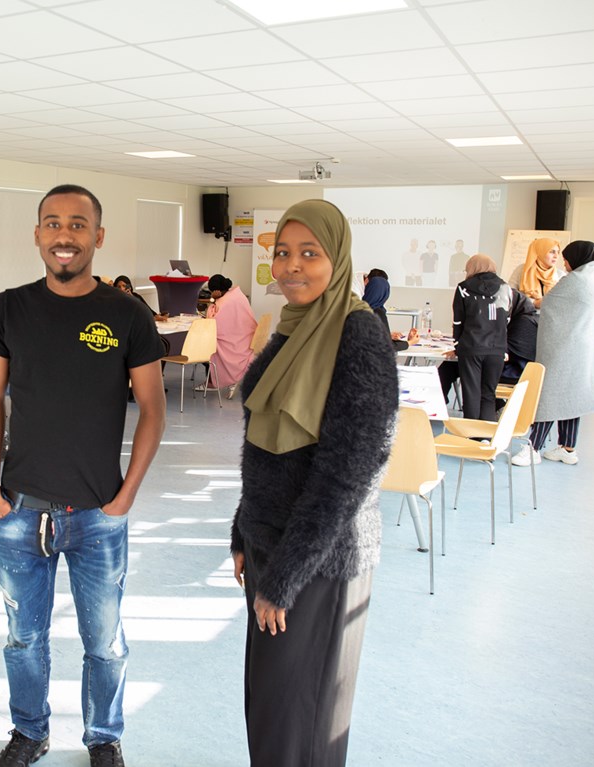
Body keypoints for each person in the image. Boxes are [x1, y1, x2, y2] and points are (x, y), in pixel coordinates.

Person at [0, 184, 166, 767]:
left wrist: (125, 496)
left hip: (97, 514)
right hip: (19, 511)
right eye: (53, 223)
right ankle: (29, 732)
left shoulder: (126, 314)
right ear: (37, 234)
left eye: (78, 224)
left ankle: (103, 738)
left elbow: (153, 410)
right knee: (23, 639)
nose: (65, 235)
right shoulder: (8, 310)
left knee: (104, 643)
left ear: (98, 237)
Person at [230, 199, 398, 767]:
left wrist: (285, 577)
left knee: (301, 718)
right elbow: (263, 446)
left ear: (339, 259)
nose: (291, 266)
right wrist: (243, 531)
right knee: (271, 709)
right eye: (282, 253)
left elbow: (348, 476)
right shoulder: (293, 327)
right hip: (271, 546)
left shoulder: (358, 337)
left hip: (320, 560)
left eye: (310, 253)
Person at [512, 240, 594, 467]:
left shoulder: (575, 281)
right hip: (581, 350)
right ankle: (567, 448)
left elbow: (549, 303)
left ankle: (533, 448)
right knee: (572, 397)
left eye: (566, 258)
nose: (564, 262)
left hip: (565, 349)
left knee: (550, 395)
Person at [452, 254, 512, 421]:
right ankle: (486, 433)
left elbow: (458, 320)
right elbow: (507, 318)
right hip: (497, 348)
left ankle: (471, 433)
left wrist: (457, 344)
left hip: (471, 347)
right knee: (489, 394)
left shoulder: (463, 288)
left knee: (471, 393)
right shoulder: (505, 287)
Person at [201, 274, 257, 390]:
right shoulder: (237, 295)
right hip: (245, 338)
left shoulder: (224, 302)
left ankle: (212, 382)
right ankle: (211, 380)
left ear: (216, 291)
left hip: (234, 343)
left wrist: (213, 299)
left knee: (208, 347)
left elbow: (212, 323)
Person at [362, 274, 420, 352]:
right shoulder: (378, 313)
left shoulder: (358, 309)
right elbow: (387, 346)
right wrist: (410, 342)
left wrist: (388, 336)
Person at [508, 237, 566, 309]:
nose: (556, 256)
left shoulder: (560, 275)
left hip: (550, 315)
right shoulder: (522, 270)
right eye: (552, 252)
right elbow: (510, 294)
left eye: (558, 252)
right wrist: (533, 302)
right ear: (540, 252)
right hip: (525, 313)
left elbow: (564, 301)